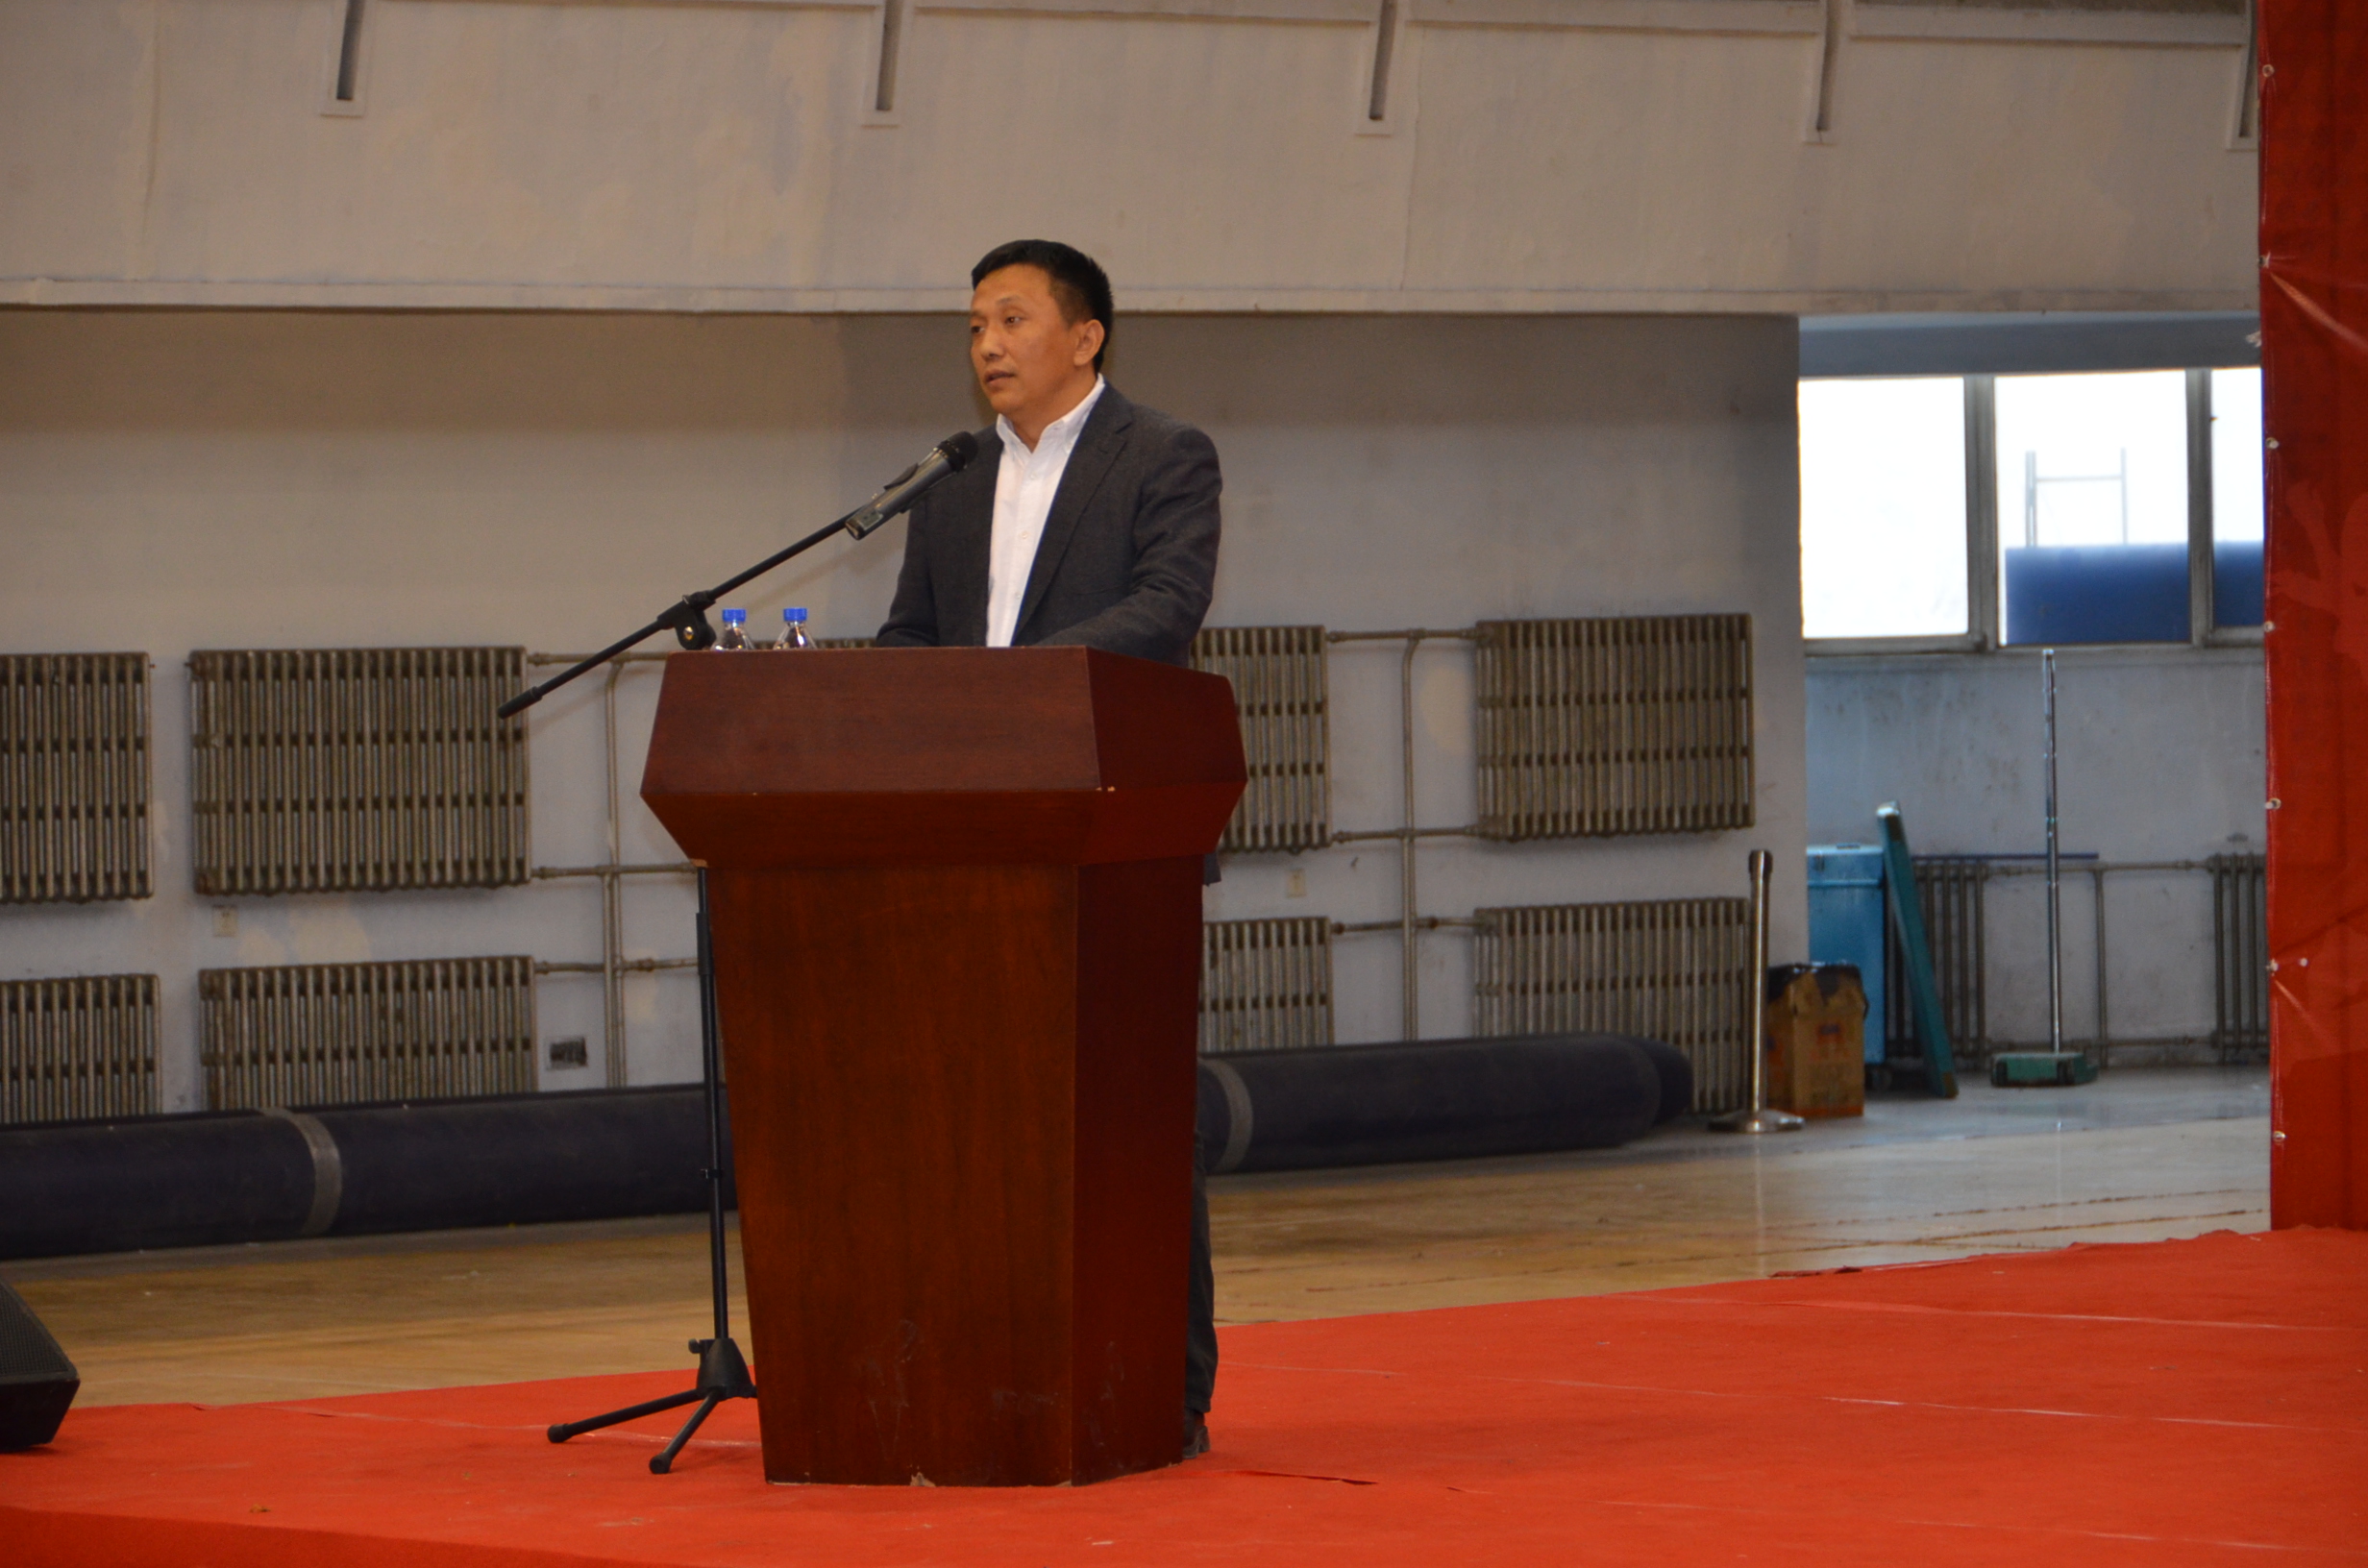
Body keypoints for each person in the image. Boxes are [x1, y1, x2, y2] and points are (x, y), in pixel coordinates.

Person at [876, 238, 1223, 1459]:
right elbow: (910, 637)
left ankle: (1160, 1391)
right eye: (975, 324)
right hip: (974, 840)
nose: (987, 344)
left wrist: (1005, 689)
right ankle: (996, 1373)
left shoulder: (1163, 454)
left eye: (1012, 319)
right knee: (975, 1120)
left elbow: (1165, 608)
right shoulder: (951, 477)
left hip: (1115, 836)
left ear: (1085, 337)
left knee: (1130, 1120)